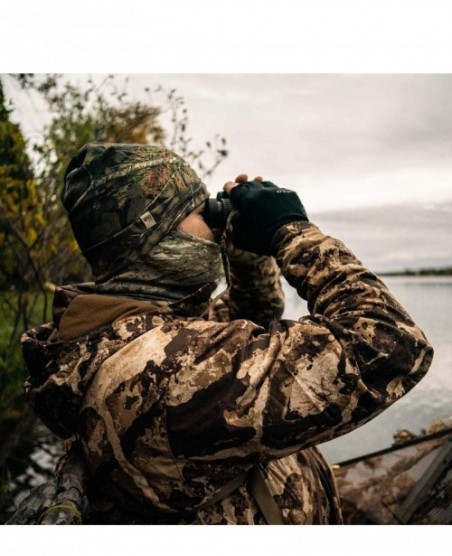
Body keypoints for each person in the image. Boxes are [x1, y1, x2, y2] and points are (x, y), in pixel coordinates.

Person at [20, 143, 433, 524]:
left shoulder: (114, 333)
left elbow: (248, 323)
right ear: (157, 236)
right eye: (203, 213)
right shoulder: (161, 371)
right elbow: (389, 343)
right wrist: (289, 229)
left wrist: (246, 255)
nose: (216, 226)